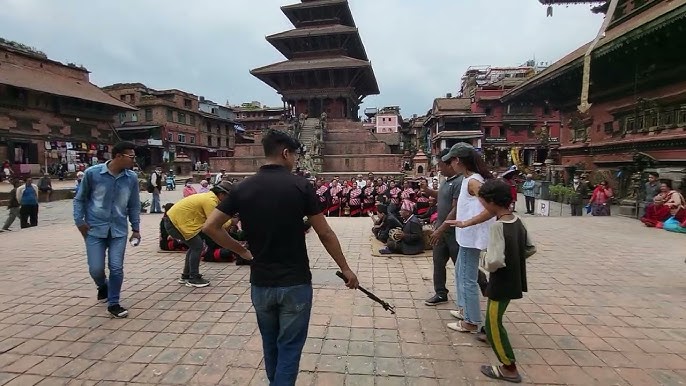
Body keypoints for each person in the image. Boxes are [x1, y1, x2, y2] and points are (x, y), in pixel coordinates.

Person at [202, 129, 359, 386]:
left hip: (261, 282)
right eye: (294, 155)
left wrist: (241, 250)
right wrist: (346, 268)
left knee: (271, 343)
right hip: (294, 282)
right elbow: (325, 232)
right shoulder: (300, 186)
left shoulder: (243, 188)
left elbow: (209, 227)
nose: (295, 160)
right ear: (286, 153)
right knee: (289, 347)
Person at [476, 179, 535, 384]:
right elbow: (530, 248)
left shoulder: (497, 227)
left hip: (500, 282)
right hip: (514, 279)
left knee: (493, 324)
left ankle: (508, 367)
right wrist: (515, 260)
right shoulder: (517, 221)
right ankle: (505, 361)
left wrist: (482, 258)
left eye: (483, 202)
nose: (483, 206)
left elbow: (494, 261)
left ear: (492, 202)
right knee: (494, 320)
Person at [73, 141, 141, 318]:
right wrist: (79, 221)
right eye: (131, 157)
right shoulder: (92, 174)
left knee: (116, 267)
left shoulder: (131, 177)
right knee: (95, 269)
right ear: (118, 156)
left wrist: (136, 228)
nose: (134, 160)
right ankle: (102, 285)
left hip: (118, 230)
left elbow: (134, 204)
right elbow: (79, 199)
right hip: (94, 229)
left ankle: (114, 303)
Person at [444, 143, 495, 333]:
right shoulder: (467, 179)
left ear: (458, 161)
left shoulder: (474, 181)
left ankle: (471, 320)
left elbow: (492, 208)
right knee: (460, 273)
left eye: (451, 161)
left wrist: (467, 223)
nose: (451, 165)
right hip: (466, 237)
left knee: (467, 279)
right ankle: (465, 309)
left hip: (471, 237)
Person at [165, 181, 250, 287]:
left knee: (194, 247)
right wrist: (231, 221)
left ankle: (186, 275)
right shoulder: (210, 201)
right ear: (222, 194)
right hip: (177, 224)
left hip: (176, 223)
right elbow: (215, 224)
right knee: (197, 246)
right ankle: (193, 277)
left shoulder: (210, 198)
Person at [420, 146, 465, 306]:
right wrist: (428, 191)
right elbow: (441, 195)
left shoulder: (461, 182)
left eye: (441, 165)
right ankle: (440, 292)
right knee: (438, 262)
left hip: (453, 231)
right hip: (440, 230)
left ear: (450, 164)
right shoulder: (446, 181)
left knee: (460, 263)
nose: (439, 168)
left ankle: (480, 283)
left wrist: (441, 229)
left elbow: (456, 208)